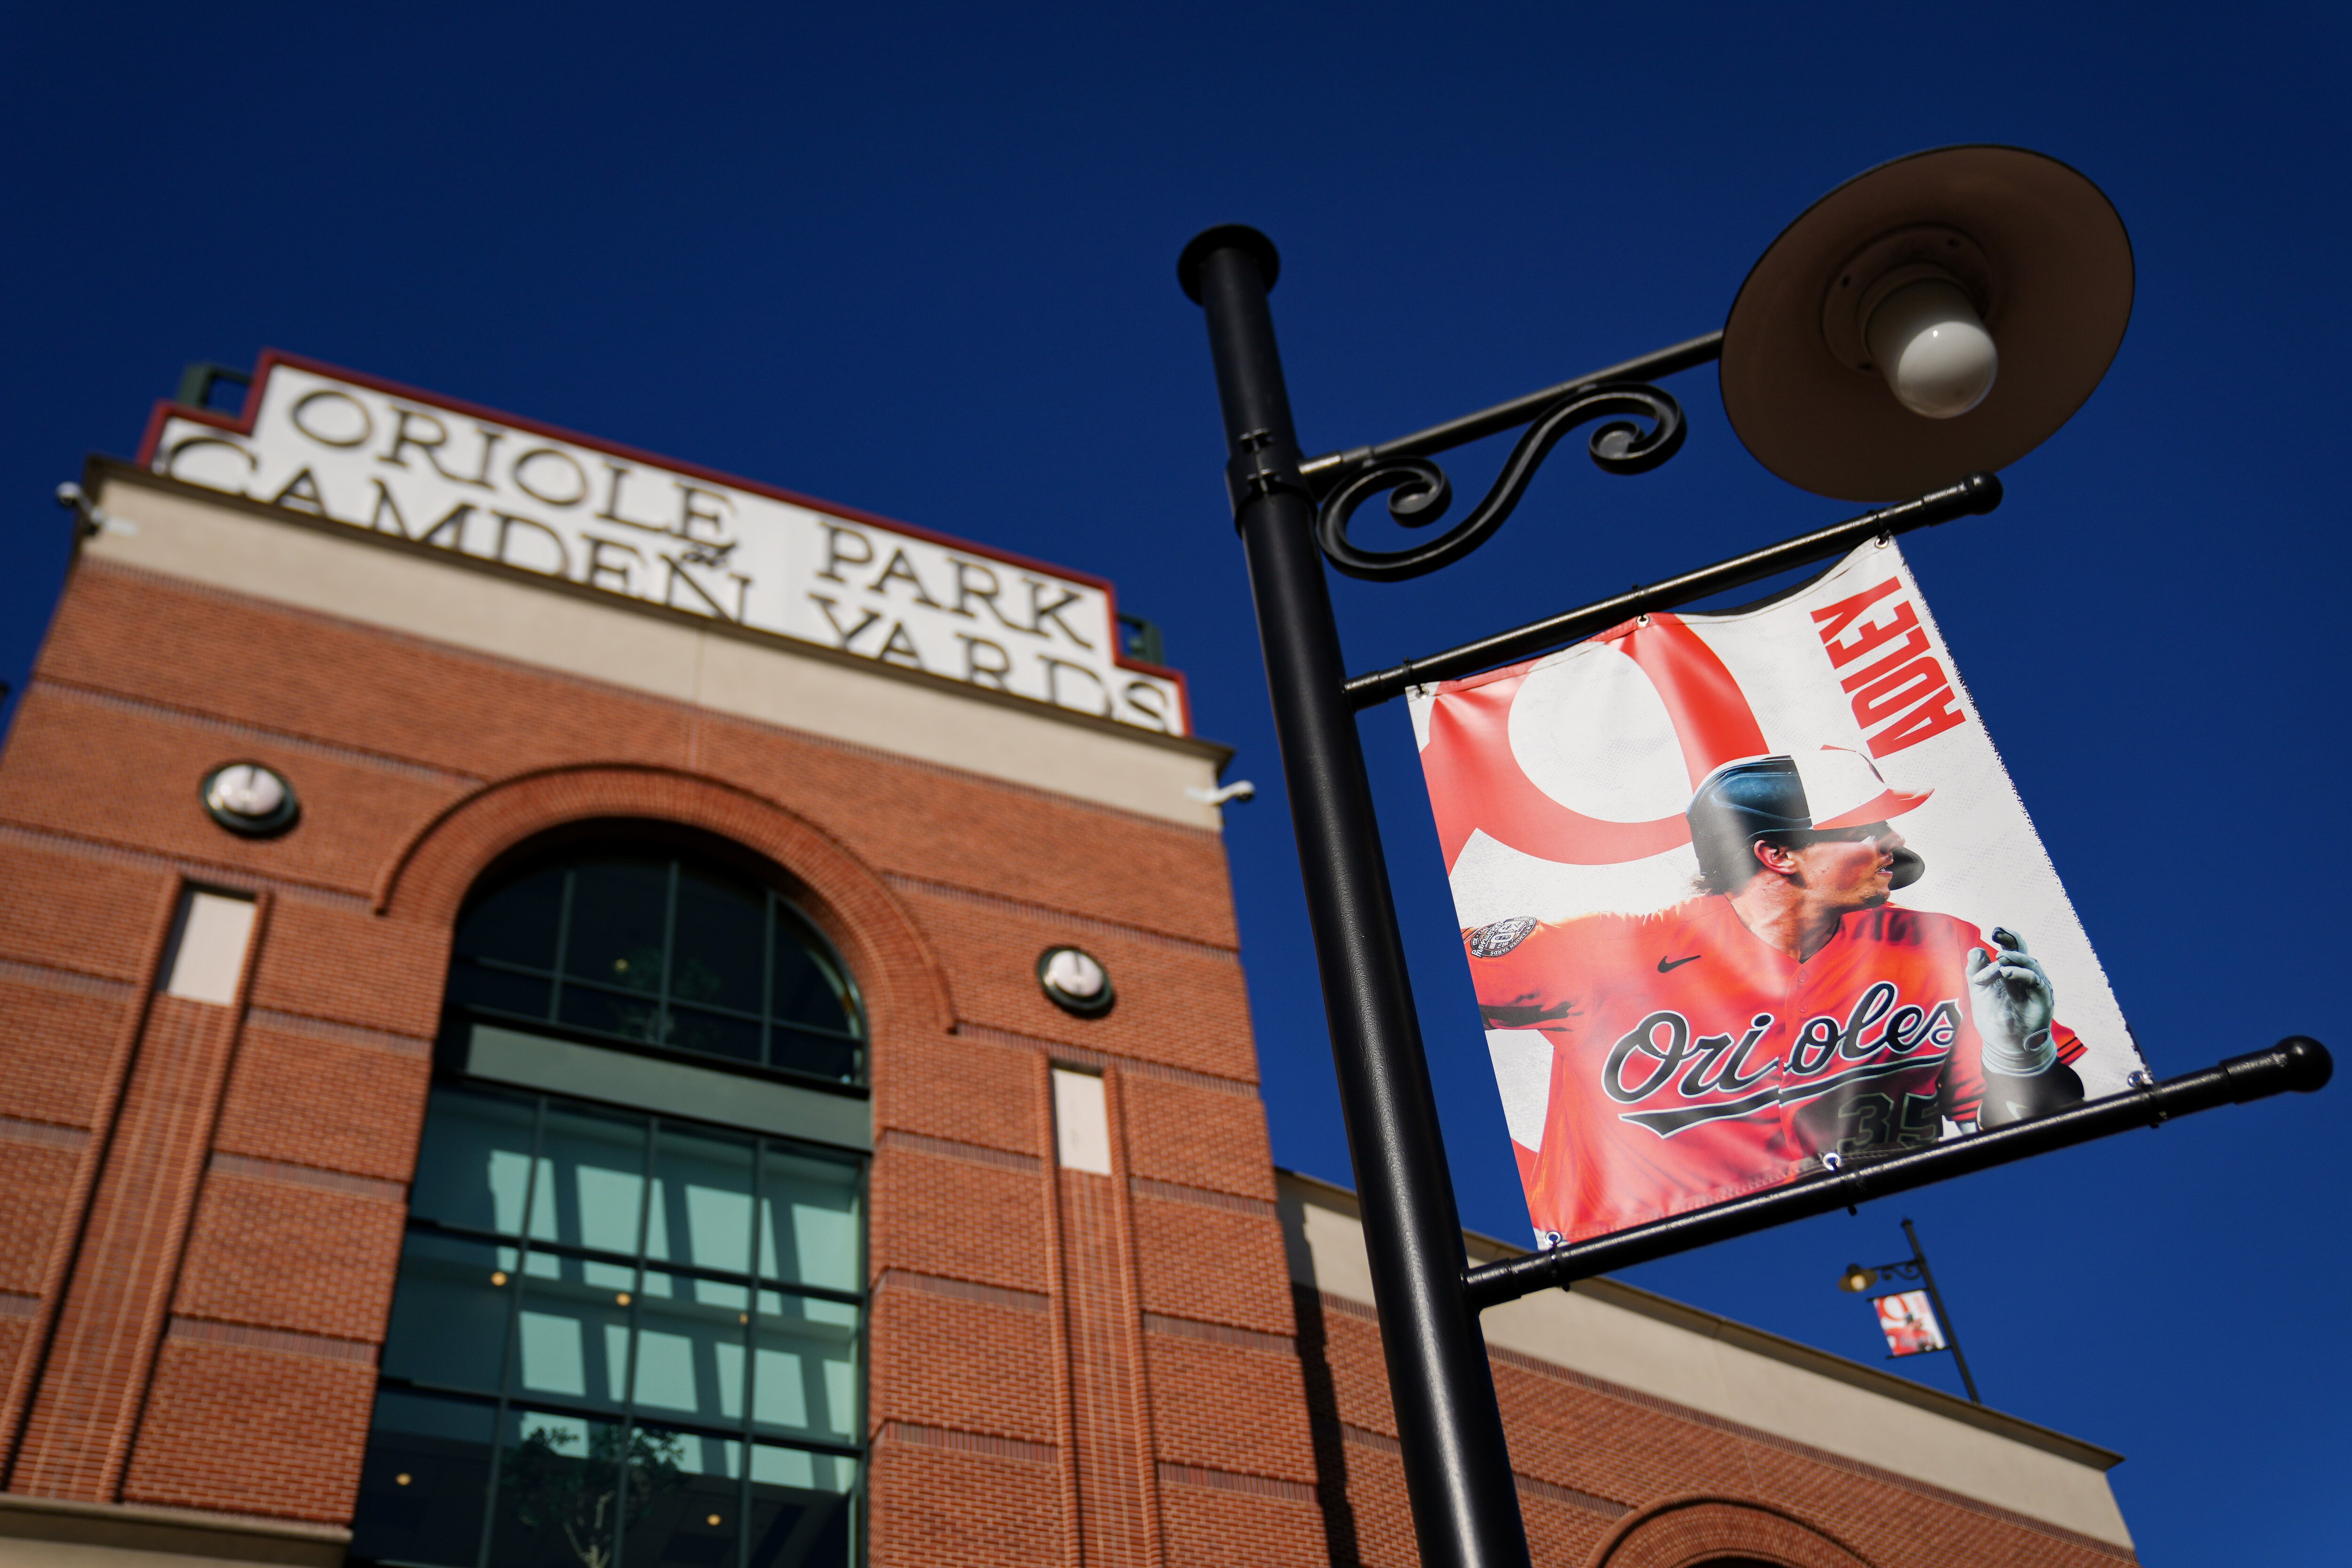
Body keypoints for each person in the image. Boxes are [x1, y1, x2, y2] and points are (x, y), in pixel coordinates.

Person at [1466, 747, 2084, 1246]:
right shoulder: (1615, 953)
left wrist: (2022, 1053)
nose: (1894, 842)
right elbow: (1412, 976)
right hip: (1624, 1262)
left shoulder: (1937, 946)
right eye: (1868, 828)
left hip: (1852, 1244)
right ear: (1778, 853)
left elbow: (2021, 1135)